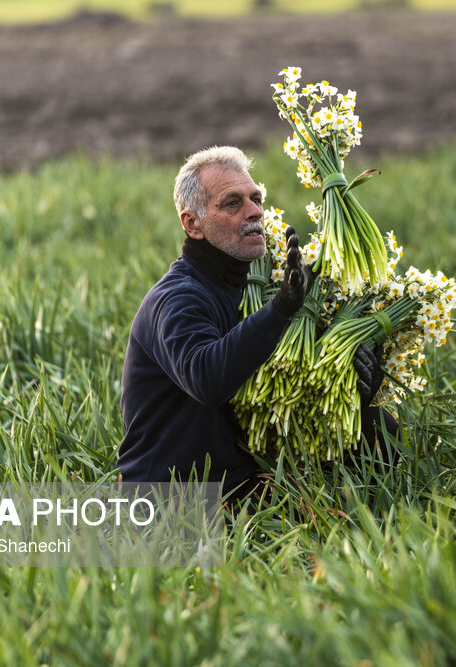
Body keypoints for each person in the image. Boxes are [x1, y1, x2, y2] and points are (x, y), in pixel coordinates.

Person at [118, 146, 397, 493]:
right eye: (232, 203)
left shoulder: (253, 290)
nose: (254, 212)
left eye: (256, 199)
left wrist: (352, 382)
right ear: (193, 224)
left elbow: (281, 398)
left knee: (377, 430)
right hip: (174, 498)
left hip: (248, 483)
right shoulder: (178, 297)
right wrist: (281, 308)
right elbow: (207, 378)